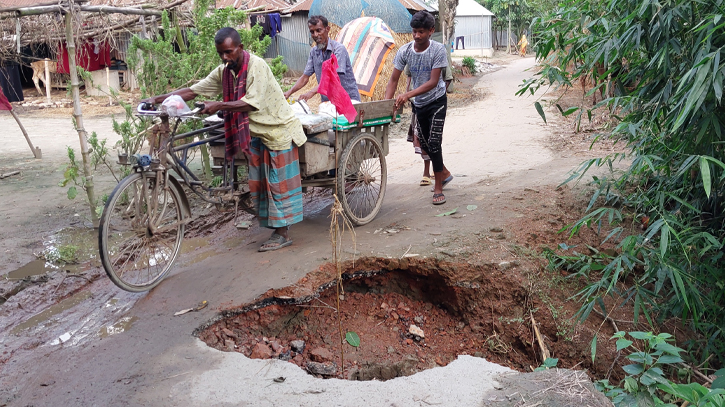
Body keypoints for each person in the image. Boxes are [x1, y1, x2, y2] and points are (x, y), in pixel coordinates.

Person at [142, 27, 307, 252]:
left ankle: (282, 233)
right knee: (260, 182)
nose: (225, 57)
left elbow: (251, 102)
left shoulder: (257, 66)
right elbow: (193, 91)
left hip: (277, 128)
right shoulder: (225, 71)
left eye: (229, 52)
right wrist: (157, 99)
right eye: (221, 53)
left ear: (240, 47)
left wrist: (218, 105)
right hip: (256, 131)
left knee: (276, 184)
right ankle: (273, 225)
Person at [385, 11, 453, 205]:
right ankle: (445, 172)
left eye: (421, 32)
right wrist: (386, 105)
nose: (416, 36)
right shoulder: (405, 51)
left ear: (431, 31)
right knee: (423, 144)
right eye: (414, 31)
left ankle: (438, 187)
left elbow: (433, 82)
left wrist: (407, 94)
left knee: (433, 143)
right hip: (419, 104)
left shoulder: (438, 50)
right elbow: (393, 79)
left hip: (437, 101)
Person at [284, 15, 361, 103]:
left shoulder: (338, 50)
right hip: (328, 102)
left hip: (348, 100)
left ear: (327, 29)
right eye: (312, 32)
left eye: (318, 30)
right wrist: (289, 92)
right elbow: (305, 77)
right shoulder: (314, 52)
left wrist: (311, 92)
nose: (315, 35)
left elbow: (333, 78)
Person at [404, 61, 453, 187]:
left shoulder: (438, 54)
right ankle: (440, 172)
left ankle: (434, 178)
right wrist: (408, 94)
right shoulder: (411, 54)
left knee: (432, 141)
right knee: (421, 140)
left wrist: (438, 98)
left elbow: (447, 79)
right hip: (417, 102)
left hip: (434, 104)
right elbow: (409, 77)